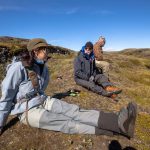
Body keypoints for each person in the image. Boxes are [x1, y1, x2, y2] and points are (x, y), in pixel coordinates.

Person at [0, 38, 137, 139]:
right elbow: (6, 98)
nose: (48, 52)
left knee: (74, 111)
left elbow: (41, 89)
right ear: (35, 51)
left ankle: (117, 121)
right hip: (26, 111)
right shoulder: (17, 68)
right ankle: (113, 131)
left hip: (42, 100)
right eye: (45, 50)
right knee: (65, 123)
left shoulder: (43, 68)